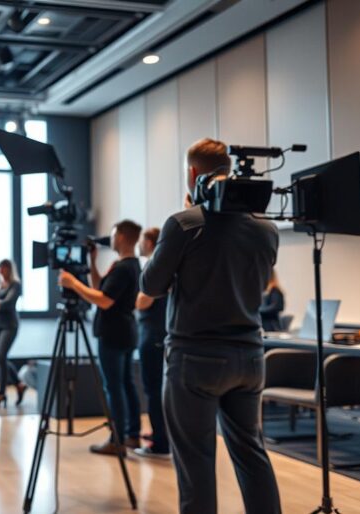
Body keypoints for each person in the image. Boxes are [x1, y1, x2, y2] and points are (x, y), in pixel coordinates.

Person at [142, 138, 281, 514]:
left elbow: (150, 286)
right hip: (251, 358)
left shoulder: (183, 224)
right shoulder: (266, 230)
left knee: (197, 463)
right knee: (252, 454)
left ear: (192, 173)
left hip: (195, 359)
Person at [59, 220, 143, 455]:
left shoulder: (124, 268)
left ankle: (117, 439)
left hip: (113, 334)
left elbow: (104, 301)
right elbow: (100, 288)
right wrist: (92, 262)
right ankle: (132, 435)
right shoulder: (130, 265)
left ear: (124, 237)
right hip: (125, 332)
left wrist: (73, 283)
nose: (111, 239)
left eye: (114, 235)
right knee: (125, 385)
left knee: (114, 387)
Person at [134, 228, 170, 459]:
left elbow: (142, 302)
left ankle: (160, 444)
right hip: (156, 333)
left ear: (149, 242)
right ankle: (160, 434)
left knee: (154, 390)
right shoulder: (163, 265)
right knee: (156, 389)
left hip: (153, 334)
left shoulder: (156, 266)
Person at [0, 259, 27, 408]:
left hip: (9, 326)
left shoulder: (16, 285)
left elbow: (8, 304)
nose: (2, 271)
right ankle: (19, 384)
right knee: (1, 359)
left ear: (10, 269)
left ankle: (1, 393)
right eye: (0, 268)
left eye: (5, 268)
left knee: (0, 357)